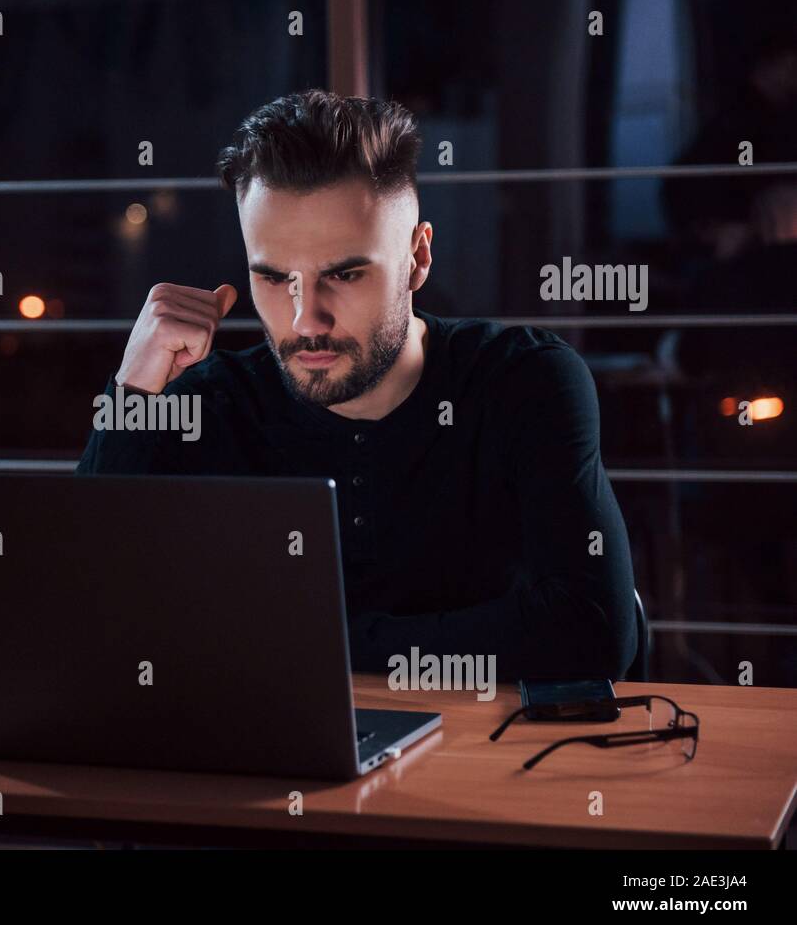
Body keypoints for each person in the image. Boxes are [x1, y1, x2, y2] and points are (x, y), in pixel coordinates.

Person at [77, 90, 636, 680]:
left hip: (482, 761)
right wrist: (132, 391)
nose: (305, 320)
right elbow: (82, 615)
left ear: (418, 259)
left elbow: (590, 631)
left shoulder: (523, 383)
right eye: (273, 278)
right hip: (275, 763)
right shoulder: (212, 404)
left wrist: (302, 644)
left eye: (344, 275)